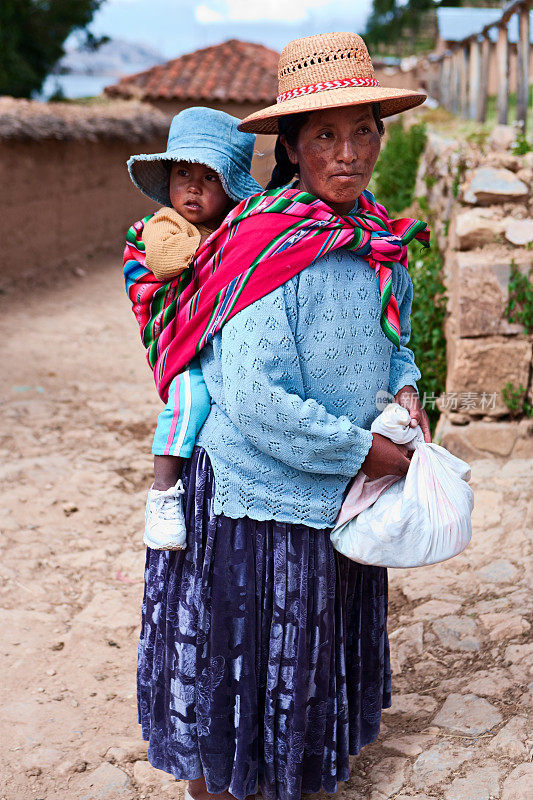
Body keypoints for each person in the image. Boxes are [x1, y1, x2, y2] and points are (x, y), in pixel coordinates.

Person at [136, 32, 432, 800]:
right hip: (259, 494)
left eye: (361, 131)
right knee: (244, 672)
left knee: (308, 665)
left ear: (379, 138)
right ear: (293, 147)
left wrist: (405, 397)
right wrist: (365, 453)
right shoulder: (264, 240)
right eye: (324, 135)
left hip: (341, 490)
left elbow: (396, 345)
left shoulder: (379, 241)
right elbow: (255, 398)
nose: (347, 152)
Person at [125, 107, 261, 549]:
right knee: (191, 398)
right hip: (182, 343)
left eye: (211, 177)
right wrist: (205, 250)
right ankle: (163, 491)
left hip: (223, 341)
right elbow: (162, 269)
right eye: (183, 172)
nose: (193, 187)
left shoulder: (240, 232)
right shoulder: (162, 227)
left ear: (232, 188)